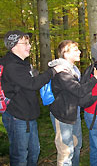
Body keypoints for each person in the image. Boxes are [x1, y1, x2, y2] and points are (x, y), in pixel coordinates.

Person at [1, 30, 66, 166]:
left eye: (28, 43)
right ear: (13, 46)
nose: (29, 46)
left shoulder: (22, 63)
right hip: (17, 116)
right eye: (25, 43)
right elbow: (32, 84)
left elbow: (30, 79)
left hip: (27, 115)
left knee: (34, 151)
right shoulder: (11, 65)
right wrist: (53, 71)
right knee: (20, 155)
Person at [48, 40, 97, 166]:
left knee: (76, 146)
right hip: (62, 115)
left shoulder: (73, 70)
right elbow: (79, 91)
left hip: (73, 114)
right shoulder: (62, 72)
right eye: (75, 50)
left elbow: (78, 94)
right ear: (65, 53)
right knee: (66, 151)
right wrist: (95, 78)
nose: (79, 52)